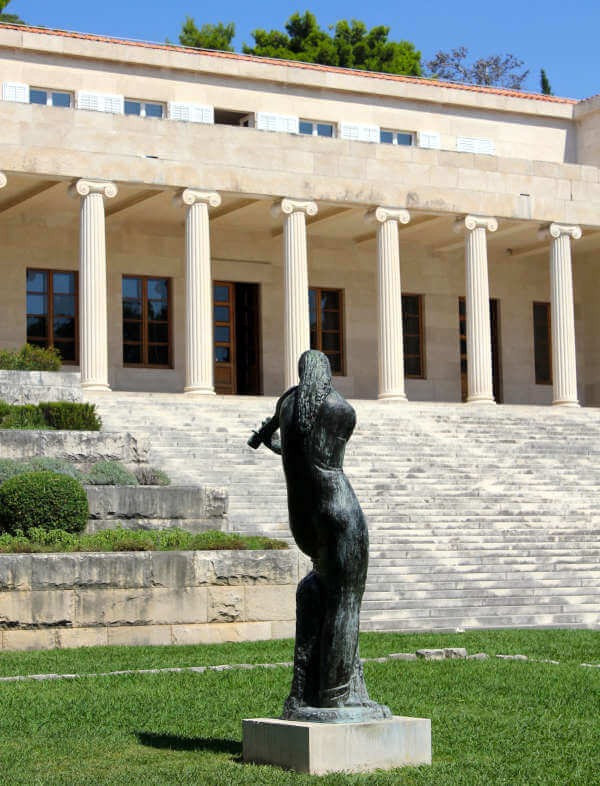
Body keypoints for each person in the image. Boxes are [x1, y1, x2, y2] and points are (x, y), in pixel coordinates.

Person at [249, 350, 390, 721]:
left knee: (318, 591)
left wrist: (270, 437)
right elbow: (330, 453)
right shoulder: (339, 409)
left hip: (307, 522)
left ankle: (306, 692)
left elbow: (297, 452)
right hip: (341, 514)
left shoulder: (287, 408)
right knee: (347, 601)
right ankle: (337, 694)